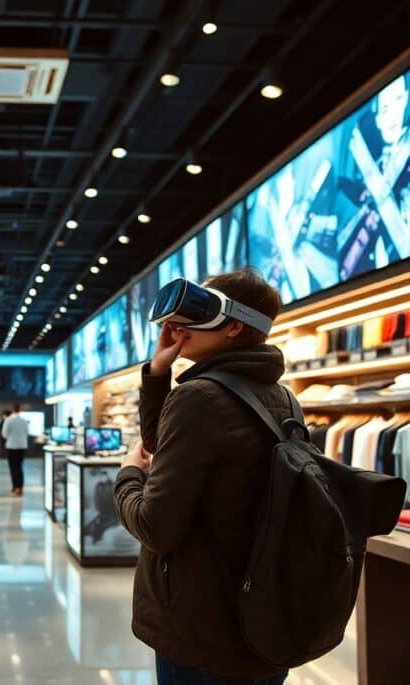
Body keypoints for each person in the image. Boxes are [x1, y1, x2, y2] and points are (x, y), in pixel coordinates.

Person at [113, 269, 287, 685]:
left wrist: (127, 479)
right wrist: (158, 373)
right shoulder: (278, 397)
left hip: (201, 628)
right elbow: (165, 445)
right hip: (260, 617)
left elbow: (156, 526)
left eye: (196, 309)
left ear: (232, 325)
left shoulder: (200, 398)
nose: (176, 325)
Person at [2, 404, 30, 497]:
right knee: (20, 466)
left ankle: (15, 486)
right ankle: (20, 487)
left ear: (12, 409)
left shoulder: (8, 420)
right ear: (19, 409)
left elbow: (4, 434)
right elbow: (27, 433)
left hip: (12, 446)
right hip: (22, 446)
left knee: (13, 467)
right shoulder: (24, 421)